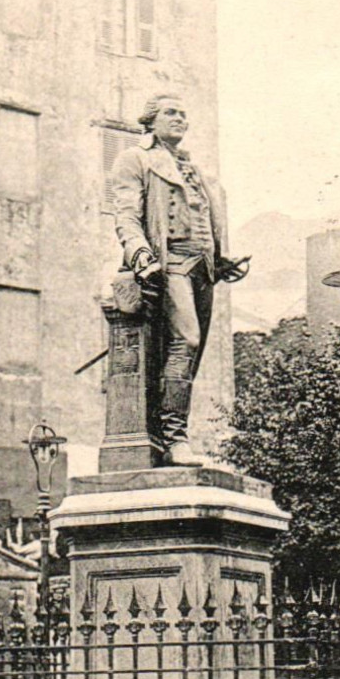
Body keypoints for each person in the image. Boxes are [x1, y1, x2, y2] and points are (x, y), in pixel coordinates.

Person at [112, 94, 245, 466]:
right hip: (168, 264)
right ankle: (174, 439)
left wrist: (221, 259)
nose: (180, 119)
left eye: (184, 114)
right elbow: (126, 216)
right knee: (186, 339)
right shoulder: (135, 159)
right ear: (150, 121)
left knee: (192, 353)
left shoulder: (196, 170)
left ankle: (173, 434)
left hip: (202, 269)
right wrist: (141, 257)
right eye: (171, 113)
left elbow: (207, 220)